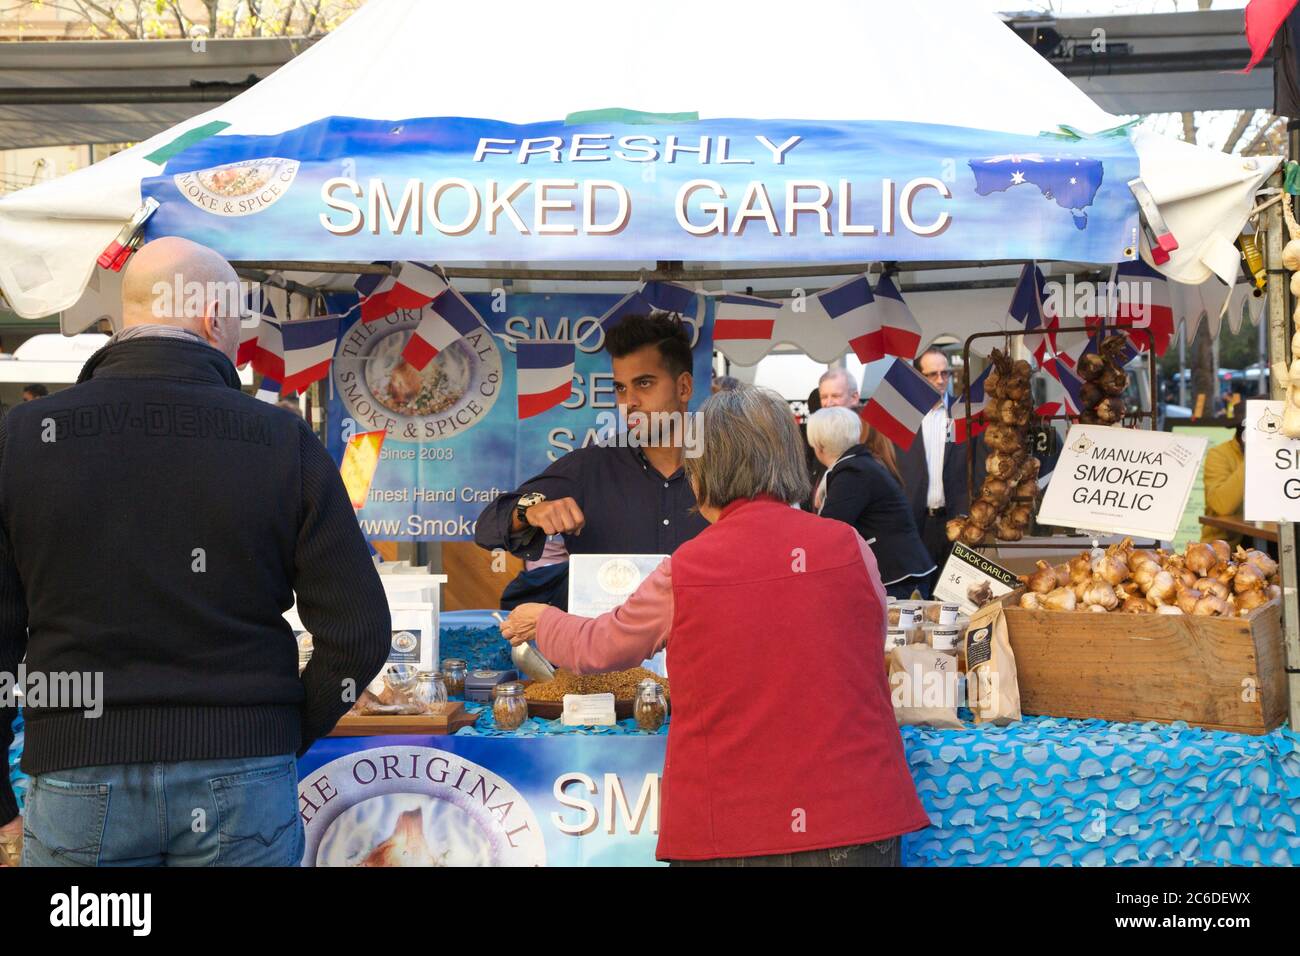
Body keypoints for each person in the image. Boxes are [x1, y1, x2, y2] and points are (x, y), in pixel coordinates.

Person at [0, 237, 391, 867]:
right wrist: (281, 730)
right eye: (237, 325)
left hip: (78, 774)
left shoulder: (21, 439)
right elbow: (361, 632)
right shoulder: (280, 439)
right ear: (212, 317)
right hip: (242, 776)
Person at [501, 386, 929, 866]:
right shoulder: (850, 545)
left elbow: (600, 647)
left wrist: (545, 620)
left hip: (733, 828)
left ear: (703, 473)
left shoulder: (687, 569)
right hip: (857, 818)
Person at [475, 311, 709, 607]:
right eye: (621, 388)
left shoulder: (728, 472)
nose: (629, 401)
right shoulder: (588, 468)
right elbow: (488, 525)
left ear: (684, 387)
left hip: (706, 647)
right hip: (605, 650)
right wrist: (530, 511)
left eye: (645, 383)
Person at [807, 408, 935, 599]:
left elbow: (829, 529)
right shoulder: (859, 465)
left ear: (818, 445)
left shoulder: (852, 473)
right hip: (902, 572)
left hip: (898, 577)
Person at [897, 347, 982, 586]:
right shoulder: (904, 418)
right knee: (917, 595)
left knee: (953, 595)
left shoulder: (965, 414)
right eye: (932, 374)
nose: (940, 380)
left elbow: (976, 468)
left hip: (956, 521)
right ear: (918, 377)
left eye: (945, 373)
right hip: (915, 521)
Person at [1201, 423, 1246, 546]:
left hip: (1274, 540)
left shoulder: (1280, 454)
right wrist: (1254, 456)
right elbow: (1222, 505)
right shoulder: (1219, 454)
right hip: (1229, 545)